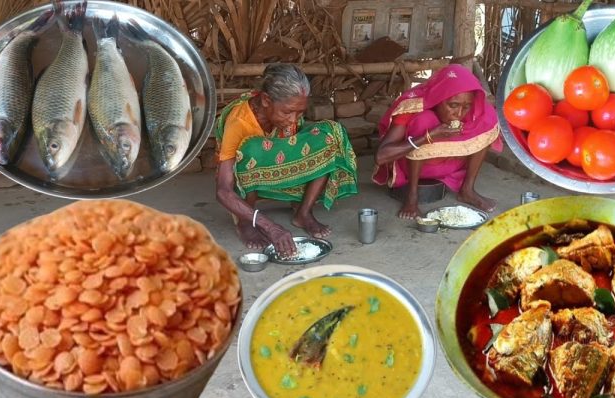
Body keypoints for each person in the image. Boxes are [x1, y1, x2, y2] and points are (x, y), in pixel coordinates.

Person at [215, 64, 359, 256]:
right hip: (249, 181)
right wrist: (269, 226)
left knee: (330, 134)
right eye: (287, 112)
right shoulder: (239, 122)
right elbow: (223, 191)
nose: (293, 120)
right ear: (266, 100)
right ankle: (245, 223)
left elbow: (295, 141)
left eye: (299, 113)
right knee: (251, 149)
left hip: (277, 167)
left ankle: (303, 212)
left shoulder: (288, 111)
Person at [372, 64, 502, 218]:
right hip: (412, 169)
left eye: (466, 107)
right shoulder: (413, 106)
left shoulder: (470, 111)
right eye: (453, 105)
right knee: (424, 121)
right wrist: (428, 137)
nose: (459, 114)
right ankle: (412, 197)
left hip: (451, 166)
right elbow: (381, 156)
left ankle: (467, 190)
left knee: (486, 117)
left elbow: (479, 117)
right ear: (438, 98)